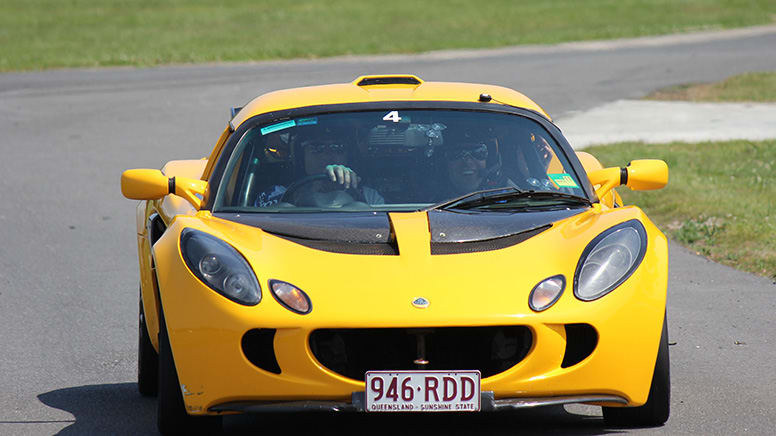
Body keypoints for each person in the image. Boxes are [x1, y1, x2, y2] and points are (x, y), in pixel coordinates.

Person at [255, 129, 384, 207]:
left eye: (337, 148)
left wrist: (353, 191)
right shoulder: (274, 195)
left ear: (348, 156)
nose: (327, 155)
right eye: (317, 148)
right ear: (301, 156)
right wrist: (298, 197)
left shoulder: (369, 196)